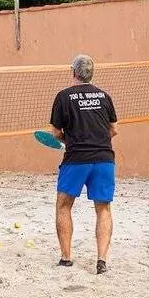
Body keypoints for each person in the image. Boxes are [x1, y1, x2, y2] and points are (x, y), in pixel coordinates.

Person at [49, 55, 118, 274]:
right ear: (92, 73)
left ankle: (66, 258)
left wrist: (67, 140)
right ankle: (102, 261)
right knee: (103, 208)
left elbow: (56, 133)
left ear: (73, 72)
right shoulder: (104, 96)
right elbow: (114, 130)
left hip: (76, 159)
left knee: (63, 206)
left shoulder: (63, 96)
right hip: (104, 159)